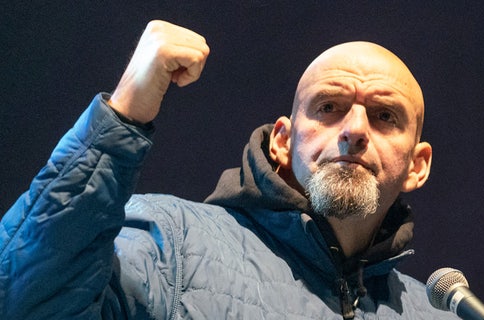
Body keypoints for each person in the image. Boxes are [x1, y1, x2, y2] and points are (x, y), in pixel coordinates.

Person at [0, 20, 457, 319]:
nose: (354, 130)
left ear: (417, 165)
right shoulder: (171, 242)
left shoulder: (438, 311)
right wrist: (122, 117)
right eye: (330, 107)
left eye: (384, 117)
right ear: (282, 141)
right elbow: (26, 302)